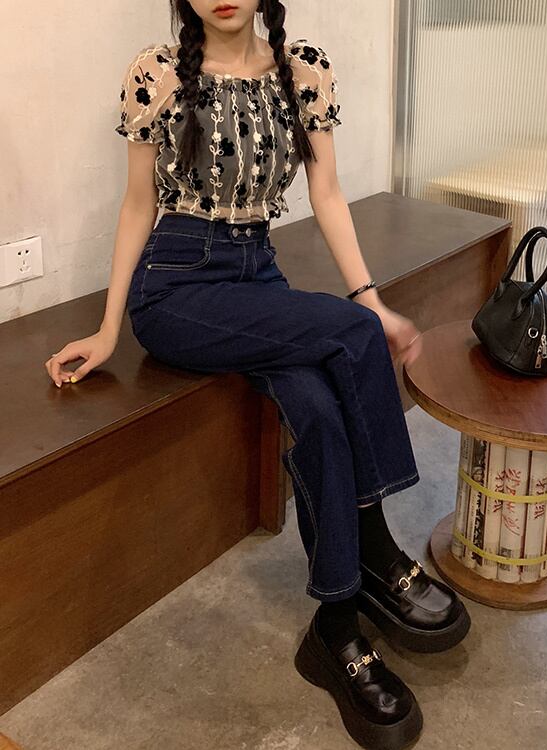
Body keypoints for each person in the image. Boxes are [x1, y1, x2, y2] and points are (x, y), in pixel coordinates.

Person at [43, 2, 470, 747]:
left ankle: (336, 623)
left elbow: (327, 193)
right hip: (177, 288)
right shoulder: (158, 72)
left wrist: (369, 293)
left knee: (322, 412)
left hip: (257, 275)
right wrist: (111, 329)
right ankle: (376, 549)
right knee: (352, 333)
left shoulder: (302, 69)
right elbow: (138, 205)